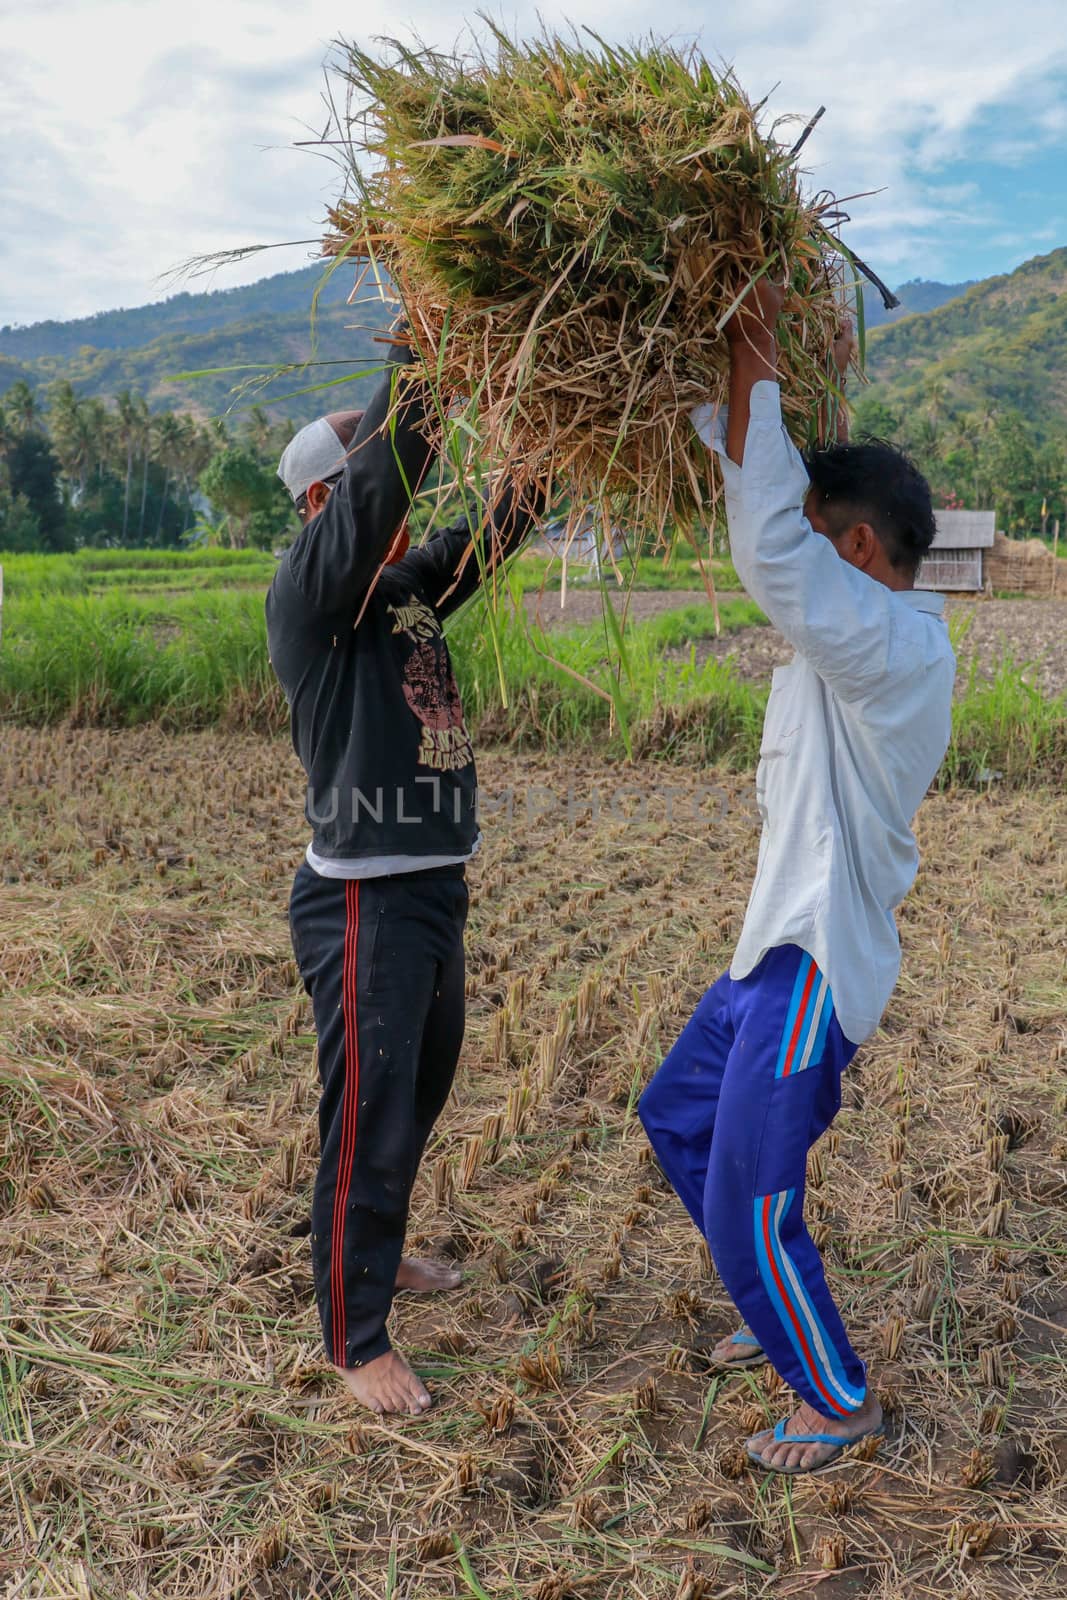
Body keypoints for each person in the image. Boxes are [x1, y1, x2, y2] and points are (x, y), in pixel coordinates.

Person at [639, 280, 955, 1475]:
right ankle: (765, 1293)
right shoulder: (850, 646)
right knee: (672, 1118)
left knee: (750, 1204)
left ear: (857, 549)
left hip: (812, 968)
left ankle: (835, 1398)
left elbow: (771, 546)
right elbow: (761, 505)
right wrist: (708, 393)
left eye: (821, 536)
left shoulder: (896, 649)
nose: (804, 557)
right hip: (762, 956)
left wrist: (756, 354)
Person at [267, 334, 541, 1416]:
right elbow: (390, 474)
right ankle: (352, 1330)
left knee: (415, 1095)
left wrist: (555, 434)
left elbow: (495, 528)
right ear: (321, 510)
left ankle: (377, 1257)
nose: (386, 485)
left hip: (432, 886)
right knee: (370, 1109)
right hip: (362, 897)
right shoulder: (312, 594)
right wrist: (429, 357)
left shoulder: (407, 586)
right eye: (361, 477)